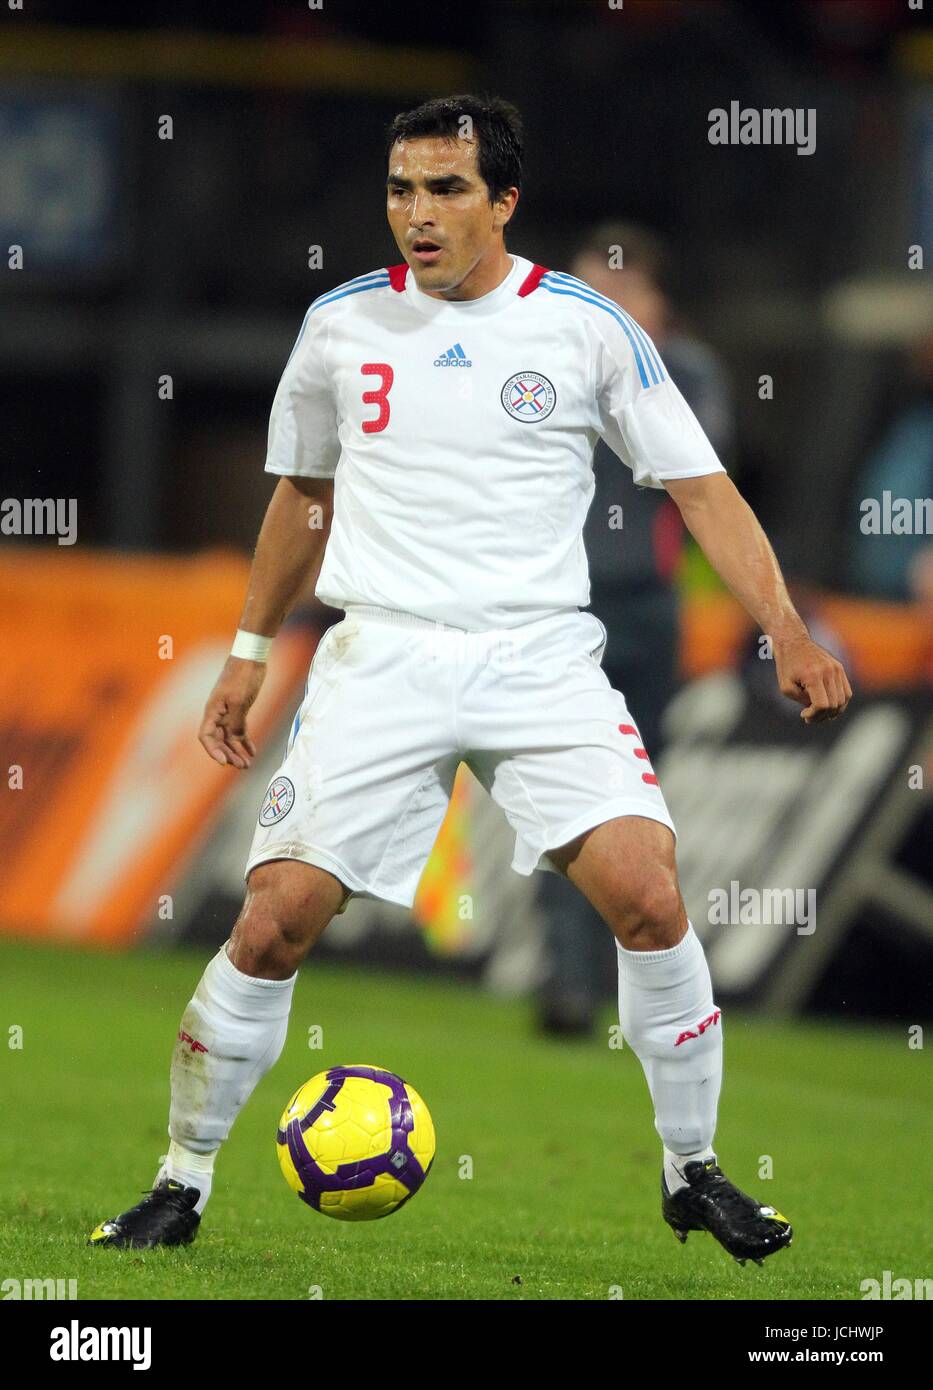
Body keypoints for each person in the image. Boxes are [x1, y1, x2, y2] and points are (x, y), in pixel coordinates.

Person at [90, 94, 850, 1265]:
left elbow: (701, 487)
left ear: (503, 201)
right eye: (401, 189)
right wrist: (248, 654)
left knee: (648, 894)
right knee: (274, 921)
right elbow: (302, 496)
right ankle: (179, 1182)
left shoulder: (587, 329)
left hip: (537, 654)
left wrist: (787, 629)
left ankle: (692, 1170)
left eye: (446, 189)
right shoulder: (339, 325)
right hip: (379, 650)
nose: (417, 214)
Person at [536, 223, 735, 1036]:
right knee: (556, 795)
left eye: (622, 294)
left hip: (645, 612)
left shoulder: (681, 371)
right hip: (555, 609)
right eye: (592, 292)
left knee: (635, 800)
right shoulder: (541, 363)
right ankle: (568, 985)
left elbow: (708, 466)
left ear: (656, 302)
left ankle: (641, 985)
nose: (606, 309)